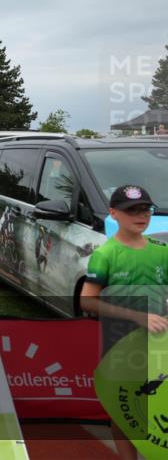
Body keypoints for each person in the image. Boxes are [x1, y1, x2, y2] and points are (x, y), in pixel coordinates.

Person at [80, 185, 164, 460]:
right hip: (120, 341)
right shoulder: (106, 254)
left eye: (145, 209)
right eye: (132, 210)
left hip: (159, 340)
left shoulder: (161, 251)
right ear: (114, 214)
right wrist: (136, 316)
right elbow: (87, 301)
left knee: (158, 400)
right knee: (124, 404)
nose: (141, 216)